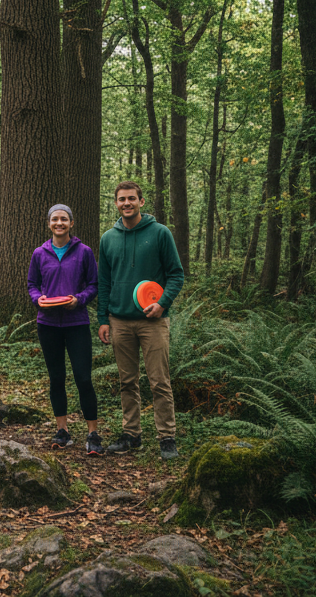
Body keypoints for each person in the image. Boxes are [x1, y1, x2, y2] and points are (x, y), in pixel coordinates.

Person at [95, 181, 185, 460]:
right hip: (119, 320)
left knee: (159, 381)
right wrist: (103, 319)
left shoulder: (160, 233)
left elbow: (176, 274)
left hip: (153, 321)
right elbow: (104, 282)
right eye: (121, 199)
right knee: (127, 381)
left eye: (131, 199)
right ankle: (131, 435)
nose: (126, 203)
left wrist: (163, 303)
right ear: (116, 204)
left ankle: (167, 437)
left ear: (141, 202)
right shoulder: (108, 238)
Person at [26, 204, 101, 455]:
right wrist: (38, 300)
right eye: (55, 219)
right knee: (56, 378)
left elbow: (93, 284)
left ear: (71, 223)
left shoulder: (84, 252)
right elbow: (32, 284)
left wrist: (79, 299)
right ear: (49, 223)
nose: (59, 223)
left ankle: (93, 433)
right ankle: (63, 431)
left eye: (64, 219)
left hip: (77, 322)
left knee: (83, 378)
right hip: (47, 324)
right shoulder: (39, 253)